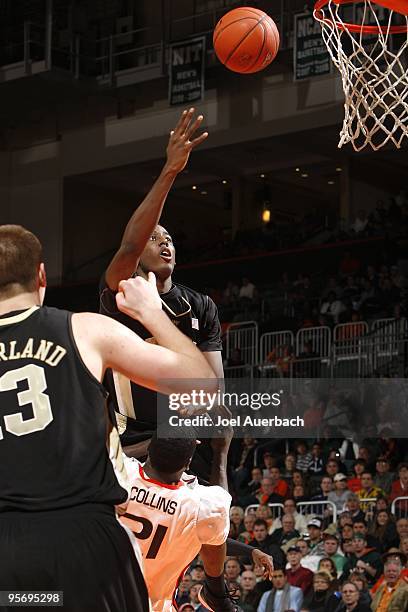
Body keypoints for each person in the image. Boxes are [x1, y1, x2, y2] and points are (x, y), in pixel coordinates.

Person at [0, 225, 217, 611]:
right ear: (42, 277)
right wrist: (153, 313)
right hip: (84, 542)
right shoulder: (83, 328)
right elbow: (200, 385)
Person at [99, 108, 224, 460]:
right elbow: (129, 244)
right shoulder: (124, 292)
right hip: (130, 447)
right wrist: (171, 170)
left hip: (184, 445)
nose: (165, 242)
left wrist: (205, 405)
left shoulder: (201, 306)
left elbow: (214, 388)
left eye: (169, 237)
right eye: (154, 238)